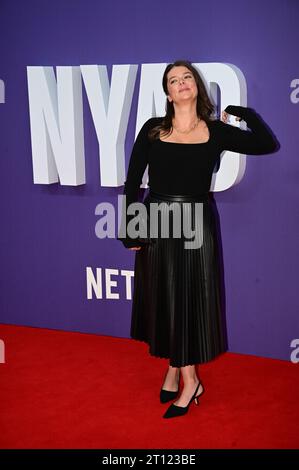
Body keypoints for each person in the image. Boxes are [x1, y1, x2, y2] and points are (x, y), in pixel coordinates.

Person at [118, 60, 278, 419]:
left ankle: (190, 380)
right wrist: (130, 227)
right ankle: (176, 368)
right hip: (158, 220)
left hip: (195, 224)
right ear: (168, 93)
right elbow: (131, 182)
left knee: (187, 299)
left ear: (197, 85)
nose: (181, 83)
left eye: (187, 77)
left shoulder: (216, 131)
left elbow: (266, 143)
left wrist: (241, 112)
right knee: (165, 299)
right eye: (173, 80)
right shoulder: (153, 130)